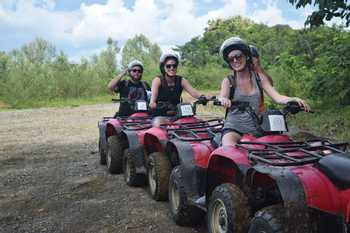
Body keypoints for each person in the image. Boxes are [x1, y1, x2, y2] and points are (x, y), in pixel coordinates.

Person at [218, 37, 310, 146]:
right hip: (234, 129)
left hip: (258, 129)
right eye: (231, 59)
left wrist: (293, 99)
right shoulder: (228, 81)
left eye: (238, 56)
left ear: (246, 56)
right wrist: (223, 100)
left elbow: (277, 97)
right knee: (229, 149)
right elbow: (222, 96)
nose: (235, 60)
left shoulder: (259, 78)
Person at [149, 53, 206, 125]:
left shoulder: (181, 80)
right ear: (163, 67)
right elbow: (153, 99)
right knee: (158, 123)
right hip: (161, 116)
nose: (172, 68)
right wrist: (153, 103)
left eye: (174, 66)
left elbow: (194, 92)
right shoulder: (158, 80)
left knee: (201, 122)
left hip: (177, 115)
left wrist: (203, 97)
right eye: (168, 66)